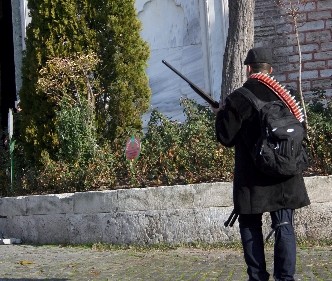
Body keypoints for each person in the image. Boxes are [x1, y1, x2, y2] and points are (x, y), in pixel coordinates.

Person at [212, 47, 310, 281]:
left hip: (252, 177)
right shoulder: (286, 95)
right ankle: (286, 278)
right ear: (271, 69)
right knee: (284, 224)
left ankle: (257, 277)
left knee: (250, 225)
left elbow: (226, 137)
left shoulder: (239, 97)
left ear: (248, 69)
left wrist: (220, 114)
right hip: (286, 174)